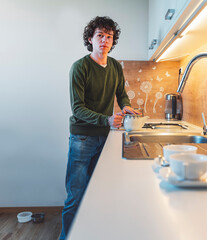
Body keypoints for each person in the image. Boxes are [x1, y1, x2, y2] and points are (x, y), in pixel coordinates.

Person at [59, 16, 139, 240]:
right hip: (82, 138)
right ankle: (66, 237)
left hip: (104, 138)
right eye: (100, 36)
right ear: (90, 39)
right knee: (75, 196)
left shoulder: (114, 66)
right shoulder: (79, 67)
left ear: (113, 41)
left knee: (97, 194)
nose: (105, 40)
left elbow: (121, 94)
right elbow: (78, 109)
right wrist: (106, 119)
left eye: (109, 36)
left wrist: (127, 107)